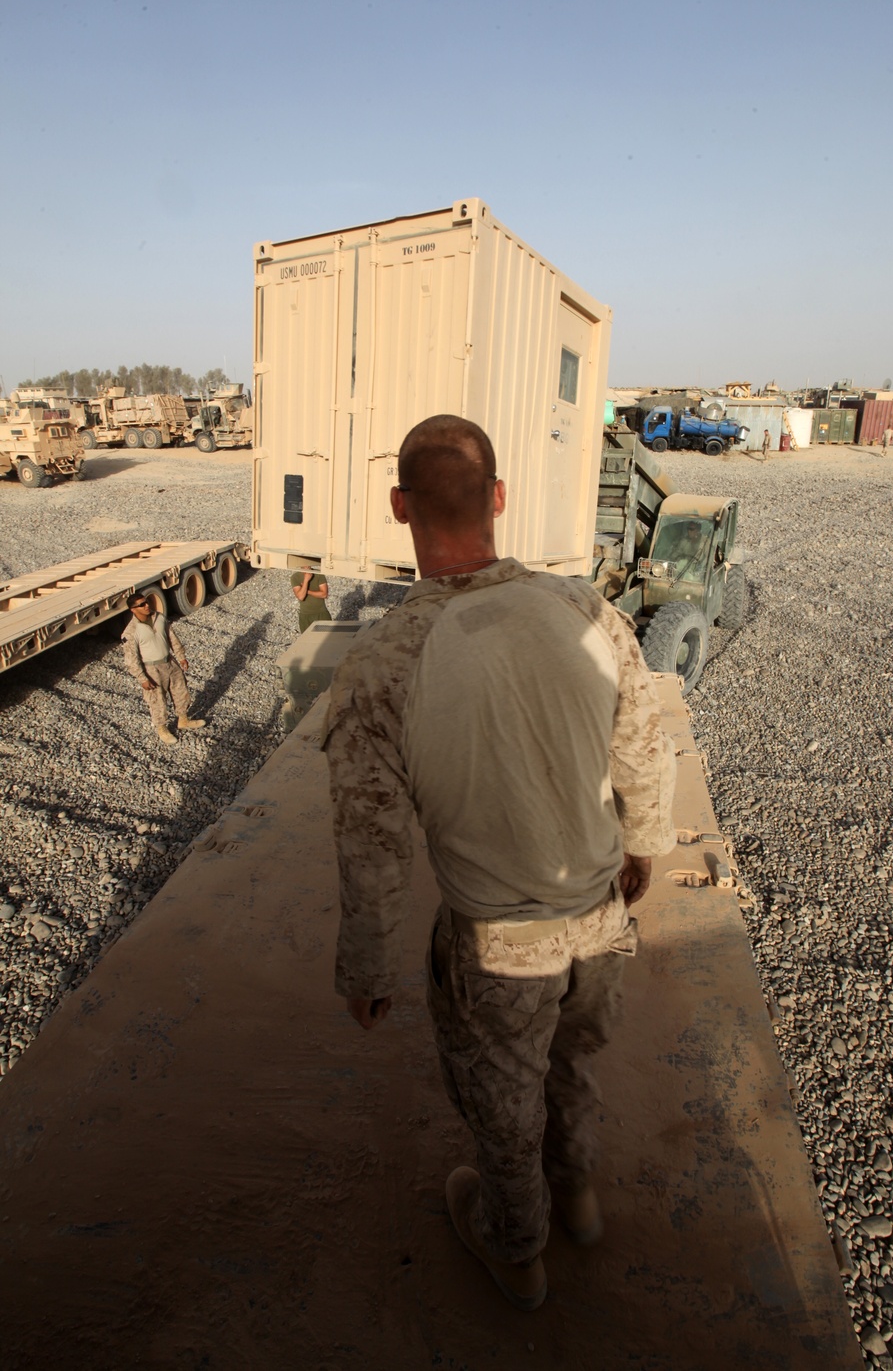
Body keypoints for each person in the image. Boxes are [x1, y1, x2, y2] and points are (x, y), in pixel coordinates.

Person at [323, 414, 675, 1312]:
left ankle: (516, 1250)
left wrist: (364, 966)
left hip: (500, 948)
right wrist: (644, 844)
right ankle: (581, 1199)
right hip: (600, 919)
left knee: (502, 1105)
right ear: (501, 500)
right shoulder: (583, 609)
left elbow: (373, 846)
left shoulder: (379, 665)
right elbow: (642, 738)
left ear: (400, 507)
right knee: (575, 1067)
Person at [122, 592, 206, 745]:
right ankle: (162, 728)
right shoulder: (130, 631)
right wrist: (142, 678)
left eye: (146, 602)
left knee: (181, 691)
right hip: (152, 669)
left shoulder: (159, 617)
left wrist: (180, 656)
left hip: (170, 662)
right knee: (157, 700)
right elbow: (131, 658)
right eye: (141, 604)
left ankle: (183, 720)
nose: (147, 606)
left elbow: (171, 637)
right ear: (133, 610)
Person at [290, 567, 331, 631]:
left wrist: (307, 591)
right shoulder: (295, 577)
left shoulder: (319, 574)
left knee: (327, 638)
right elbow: (301, 597)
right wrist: (306, 580)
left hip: (321, 613)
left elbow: (324, 594)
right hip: (305, 615)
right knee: (307, 640)